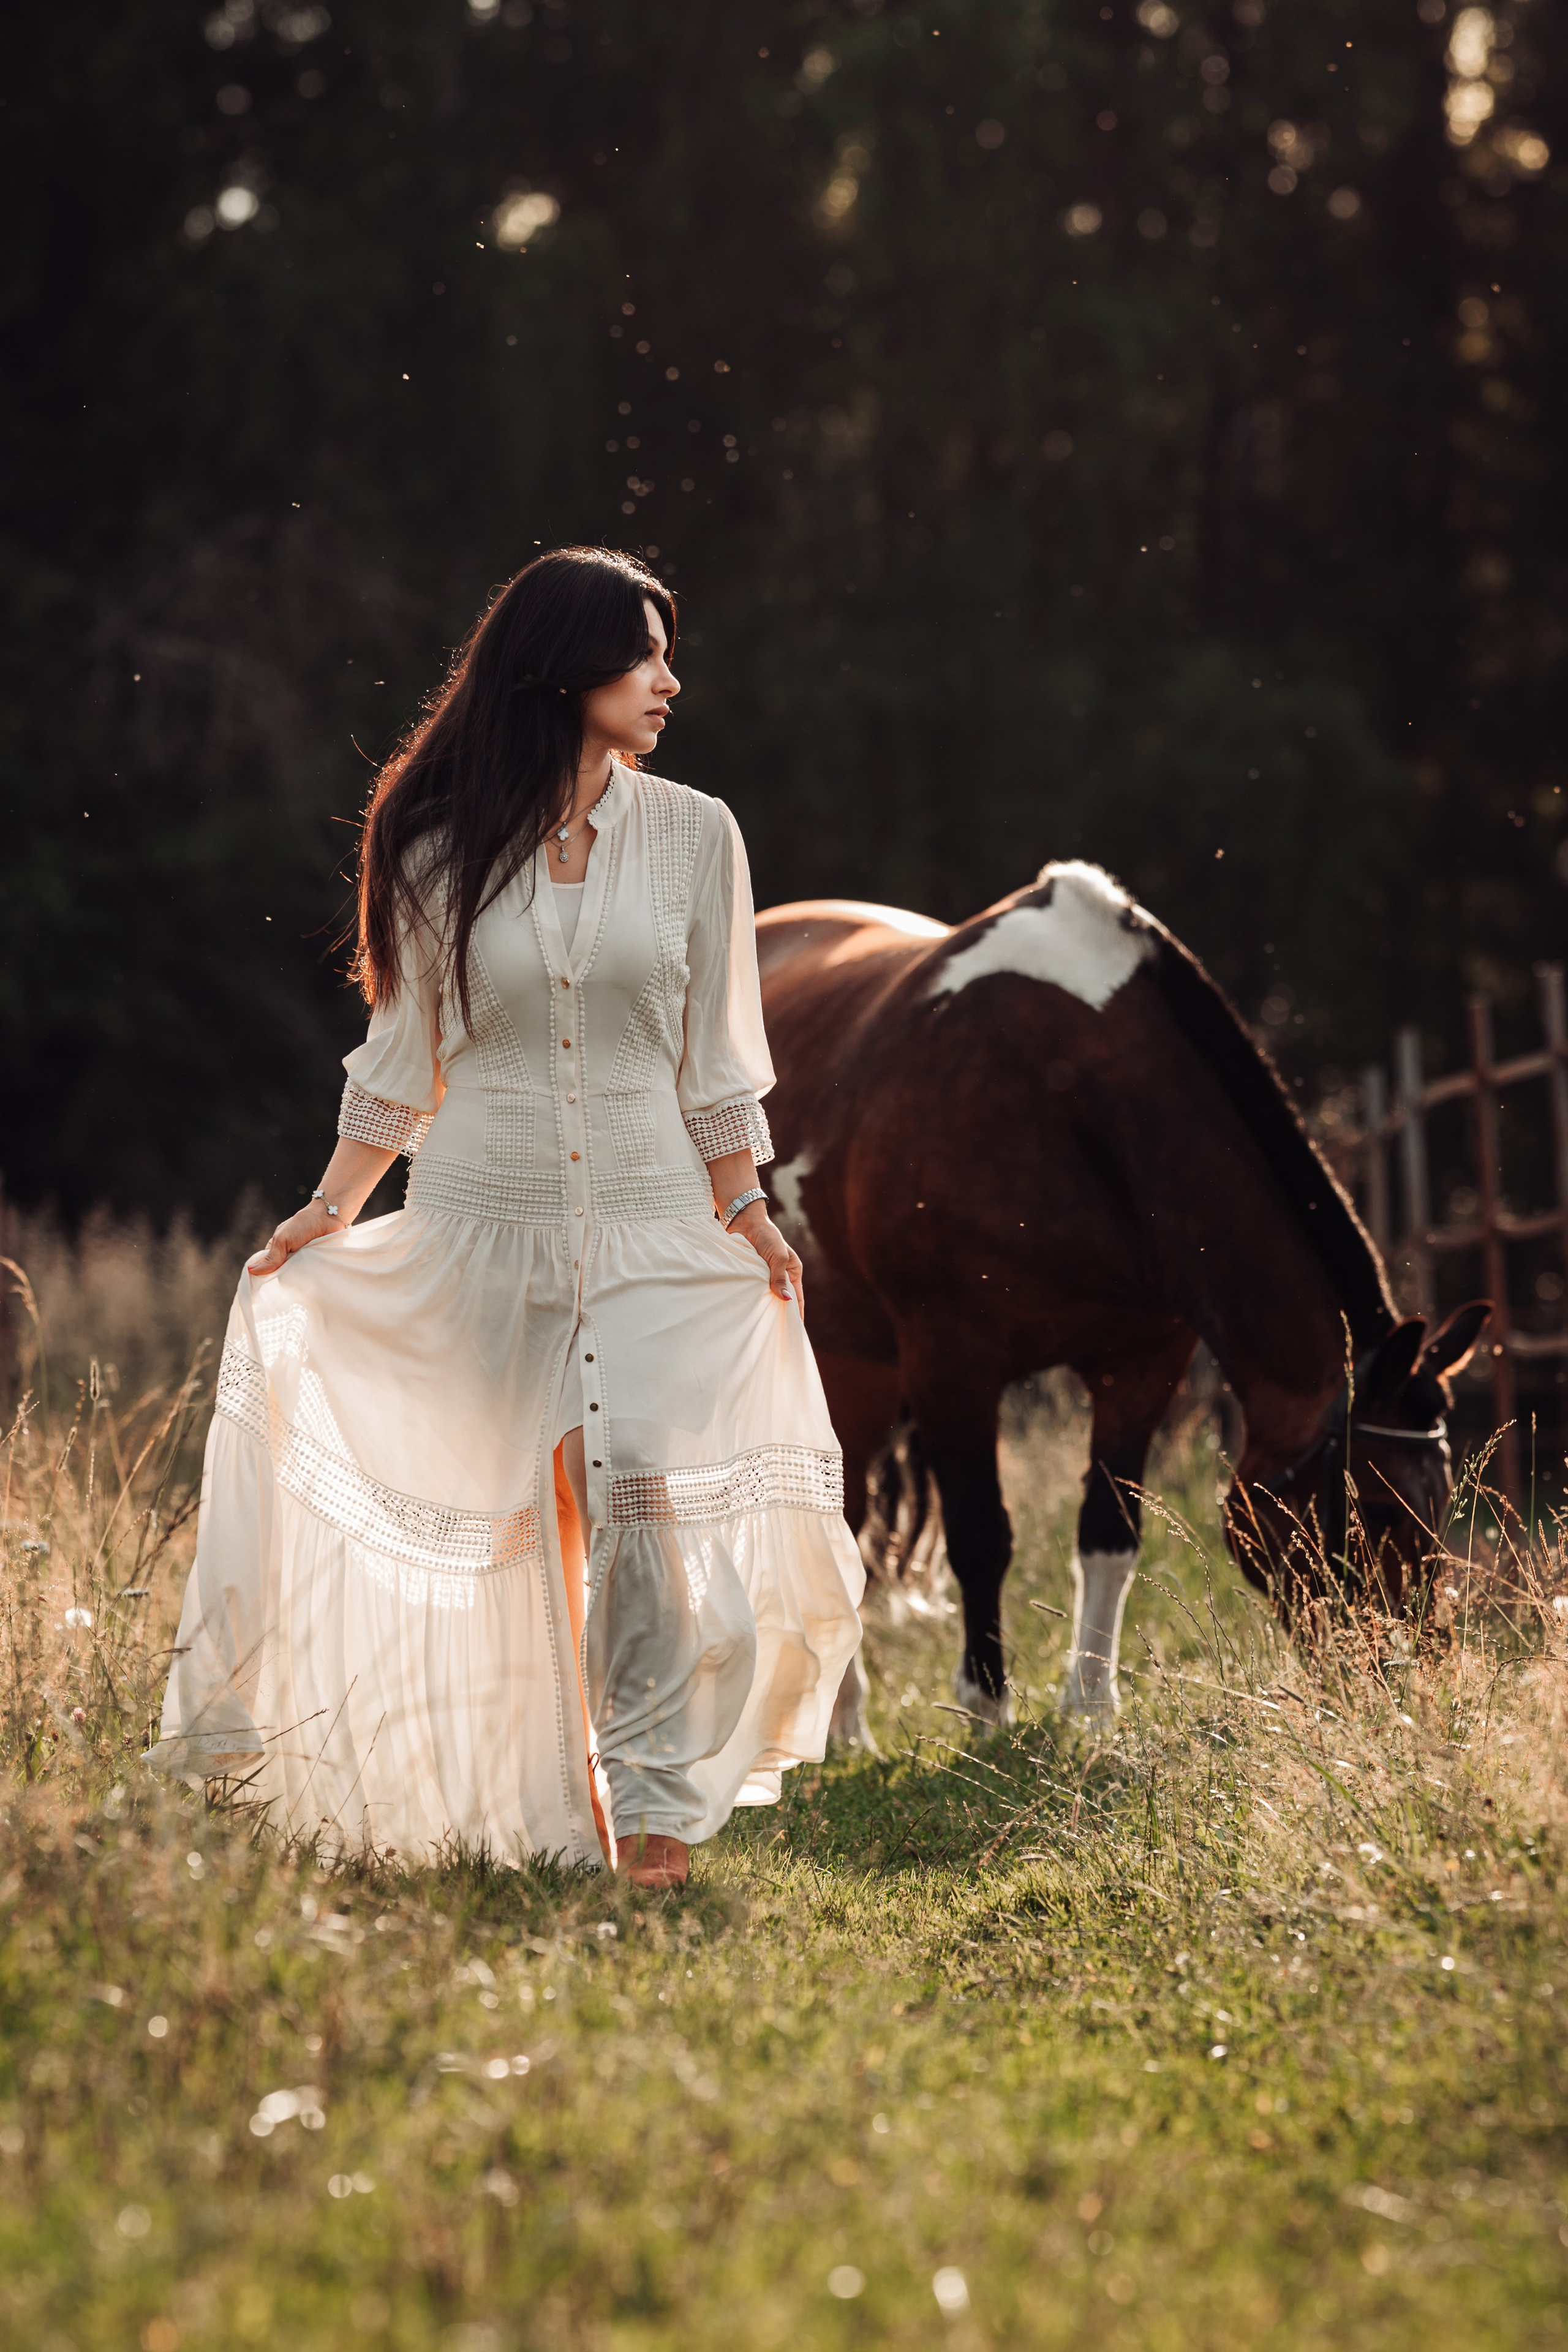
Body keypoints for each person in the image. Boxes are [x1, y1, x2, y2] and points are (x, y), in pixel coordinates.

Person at [151, 546, 865, 1889]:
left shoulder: (698, 833)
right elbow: (402, 1059)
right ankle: (559, 1809)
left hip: (660, 1229)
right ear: (559, 665)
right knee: (535, 1529)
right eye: (640, 653)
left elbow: (714, 1060)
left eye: (668, 653)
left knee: (647, 1497)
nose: (669, 680)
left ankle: (652, 1829)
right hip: (482, 1226)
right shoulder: (431, 842)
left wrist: (747, 1209)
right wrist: (326, 1211)